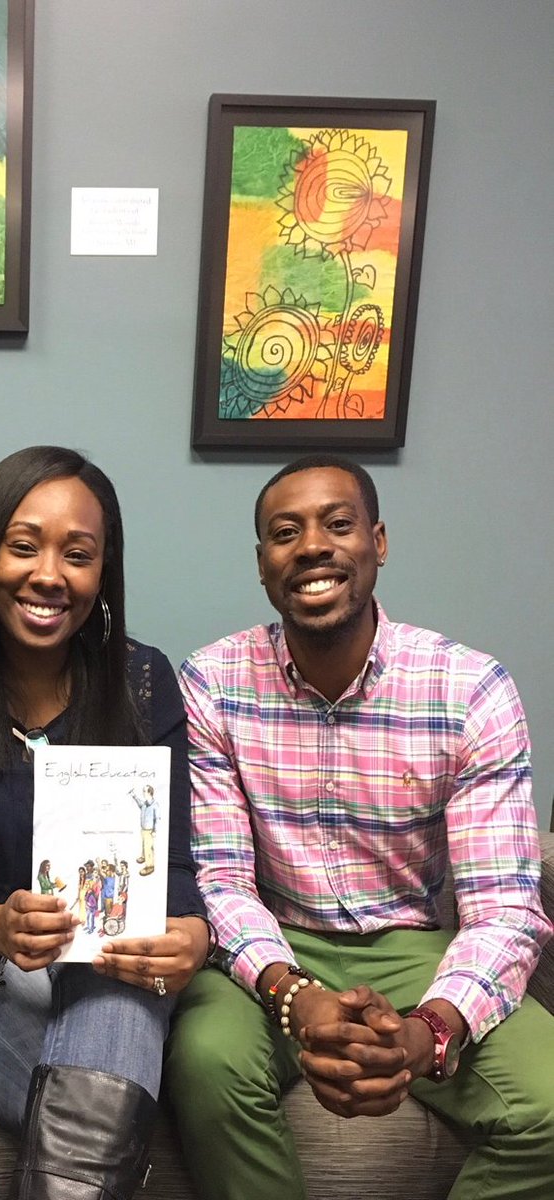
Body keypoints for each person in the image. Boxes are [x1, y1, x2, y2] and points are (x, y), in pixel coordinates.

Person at [167, 454, 554, 1199]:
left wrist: (428, 1031)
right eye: (285, 532)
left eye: (337, 524)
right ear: (261, 565)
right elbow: (217, 880)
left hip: (415, 948)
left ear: (377, 541)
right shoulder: (210, 683)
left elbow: (503, 906)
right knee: (205, 1063)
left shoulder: (468, 687)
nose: (312, 545)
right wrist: (296, 997)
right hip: (271, 944)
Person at [0, 446, 212, 1199]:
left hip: (104, 970)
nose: (48, 575)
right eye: (23, 546)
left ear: (103, 574)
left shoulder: (142, 679)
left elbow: (179, 870)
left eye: (78, 554)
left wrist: (191, 930)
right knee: (103, 1115)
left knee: (116, 993)